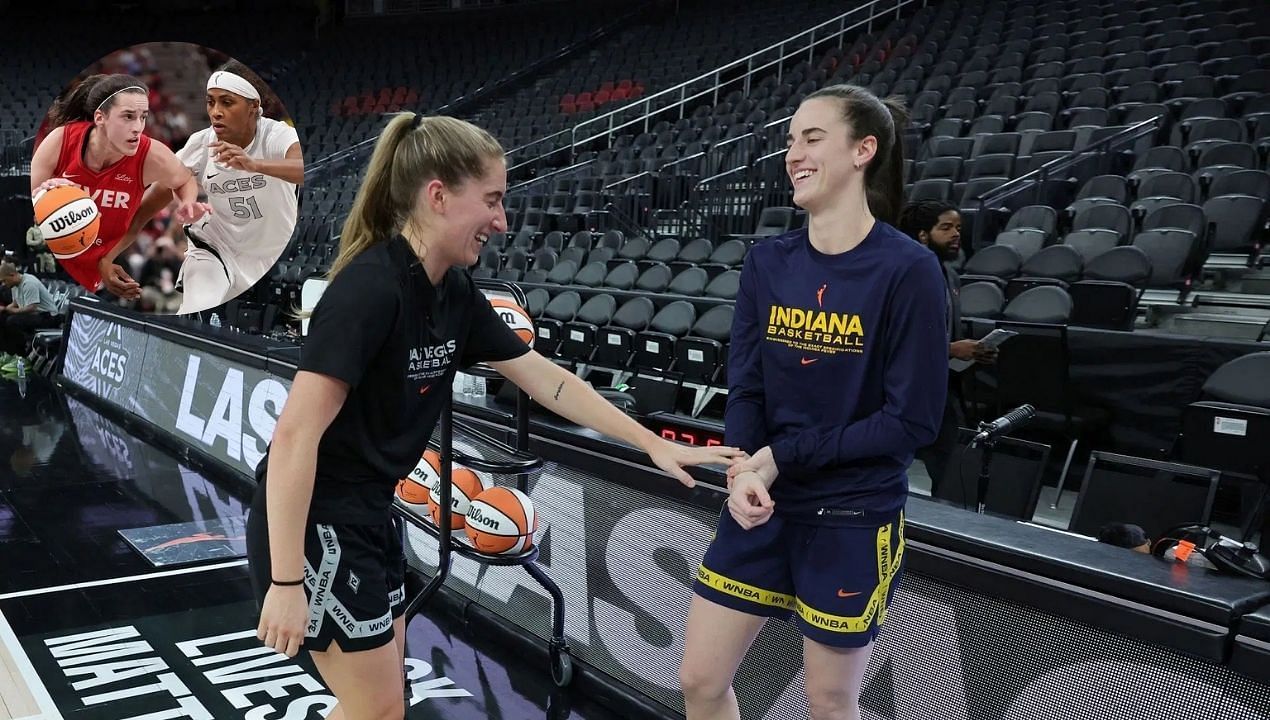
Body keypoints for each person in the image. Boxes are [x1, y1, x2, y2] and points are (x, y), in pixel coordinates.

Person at [247, 112, 744, 720]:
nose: (502, 222)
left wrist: (653, 443)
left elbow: (550, 382)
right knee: (376, 708)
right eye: (492, 201)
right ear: (438, 196)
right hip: (317, 522)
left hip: (370, 510)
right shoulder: (370, 289)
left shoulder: (452, 293)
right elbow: (295, 437)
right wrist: (286, 581)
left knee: (378, 702)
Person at [679, 85, 948, 720]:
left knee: (829, 700)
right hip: (765, 500)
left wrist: (782, 455)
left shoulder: (909, 270)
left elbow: (912, 420)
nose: (791, 152)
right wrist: (746, 469)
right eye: (790, 139)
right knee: (698, 679)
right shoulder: (767, 261)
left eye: (811, 137)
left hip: (853, 513)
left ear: (864, 150)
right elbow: (746, 385)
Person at [112, 60, 303, 315]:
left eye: (226, 102)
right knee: (194, 314)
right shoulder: (201, 144)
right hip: (215, 248)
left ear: (253, 106)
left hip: (269, 254)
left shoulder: (276, 135)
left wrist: (253, 164)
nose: (215, 112)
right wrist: (105, 257)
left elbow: (302, 168)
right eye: (210, 101)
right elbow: (147, 207)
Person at [29, 74, 209, 294]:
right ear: (100, 117)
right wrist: (47, 197)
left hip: (100, 264)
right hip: (50, 260)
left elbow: (185, 180)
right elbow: (33, 217)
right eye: (128, 117)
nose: (138, 127)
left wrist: (187, 203)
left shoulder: (151, 154)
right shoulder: (60, 141)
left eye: (143, 117)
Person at [899, 199, 997, 495]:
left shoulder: (950, 275)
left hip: (941, 389)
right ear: (922, 234)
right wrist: (951, 349)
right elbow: (894, 334)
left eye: (958, 227)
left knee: (952, 470)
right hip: (900, 391)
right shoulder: (900, 272)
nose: (956, 234)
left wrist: (974, 352)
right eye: (946, 227)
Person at [0, 262, 61, 363]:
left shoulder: (29, 283)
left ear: (12, 275)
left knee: (12, 321)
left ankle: (21, 356)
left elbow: (32, 308)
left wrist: (13, 311)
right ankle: (8, 353)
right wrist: (4, 309)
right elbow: (14, 303)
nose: (3, 284)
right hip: (34, 315)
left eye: (4, 281)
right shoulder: (14, 286)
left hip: (48, 317)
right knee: (2, 318)